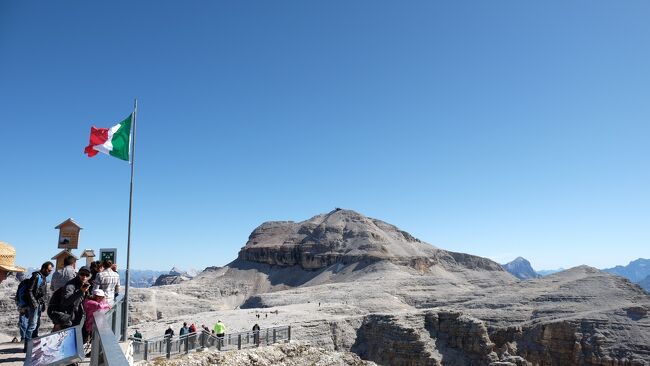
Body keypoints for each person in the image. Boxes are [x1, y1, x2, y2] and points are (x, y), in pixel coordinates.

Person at [48, 267, 91, 331]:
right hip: (65, 317)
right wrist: (81, 291)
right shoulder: (70, 285)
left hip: (74, 316)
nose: (84, 277)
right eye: (82, 274)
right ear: (78, 274)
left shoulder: (83, 284)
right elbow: (65, 302)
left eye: (87, 275)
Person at [24, 262, 53, 352]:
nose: (50, 272)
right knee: (32, 325)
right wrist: (34, 303)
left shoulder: (43, 277)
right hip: (34, 305)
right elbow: (29, 291)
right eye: (49, 270)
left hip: (39, 304)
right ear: (44, 269)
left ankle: (34, 344)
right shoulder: (36, 276)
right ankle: (27, 346)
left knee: (36, 325)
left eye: (51, 270)